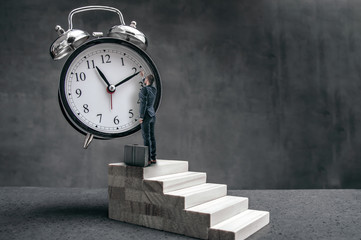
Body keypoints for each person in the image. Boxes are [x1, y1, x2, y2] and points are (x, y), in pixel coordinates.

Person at [139, 71, 157, 165]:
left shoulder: (144, 90)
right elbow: (148, 87)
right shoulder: (153, 89)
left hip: (146, 115)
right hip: (152, 115)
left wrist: (141, 116)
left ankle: (148, 159)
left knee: (146, 138)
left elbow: (143, 104)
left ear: (147, 80)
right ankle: (153, 158)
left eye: (145, 79)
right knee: (152, 137)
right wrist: (143, 77)